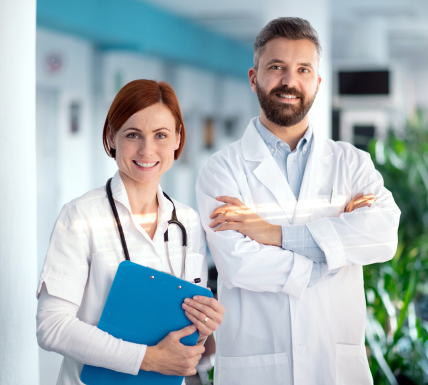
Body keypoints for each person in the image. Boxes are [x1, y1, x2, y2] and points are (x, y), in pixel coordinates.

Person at [195, 17, 401, 385]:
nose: (290, 81)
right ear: (253, 77)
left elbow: (383, 236)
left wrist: (274, 235)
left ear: (317, 83)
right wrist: (334, 253)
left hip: (336, 367)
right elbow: (238, 265)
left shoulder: (352, 163)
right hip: (256, 368)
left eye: (303, 69)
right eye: (276, 67)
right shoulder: (222, 170)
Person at [36, 79, 224, 384]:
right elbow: (52, 327)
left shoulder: (188, 222)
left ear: (178, 138)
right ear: (112, 137)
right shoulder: (81, 216)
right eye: (133, 134)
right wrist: (148, 359)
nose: (147, 150)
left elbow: (182, 331)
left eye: (161, 135)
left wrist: (204, 326)